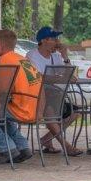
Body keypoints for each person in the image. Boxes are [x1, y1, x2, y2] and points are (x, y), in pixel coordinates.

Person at [26, 26, 82, 155]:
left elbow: (70, 76)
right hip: (38, 97)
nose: (57, 42)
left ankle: (46, 139)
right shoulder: (32, 55)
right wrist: (61, 78)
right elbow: (39, 77)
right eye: (54, 39)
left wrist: (65, 56)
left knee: (76, 112)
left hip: (55, 95)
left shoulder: (56, 56)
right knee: (49, 111)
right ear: (43, 40)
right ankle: (66, 146)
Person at [0, 29, 37, 163]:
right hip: (33, 108)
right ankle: (23, 147)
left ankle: (6, 150)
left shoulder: (6, 59)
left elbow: (2, 90)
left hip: (21, 110)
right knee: (0, 113)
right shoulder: (23, 59)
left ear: (1, 45)